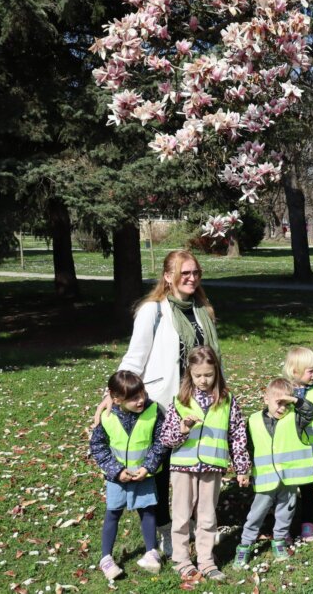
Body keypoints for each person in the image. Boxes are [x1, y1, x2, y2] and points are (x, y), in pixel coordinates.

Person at [94, 250, 220, 556]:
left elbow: (212, 358)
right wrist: (111, 395)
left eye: (195, 273)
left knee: (194, 464)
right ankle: (165, 529)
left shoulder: (203, 308)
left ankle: (195, 523)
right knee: (161, 468)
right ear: (167, 277)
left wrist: (220, 389)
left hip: (199, 399)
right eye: (184, 273)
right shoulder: (153, 310)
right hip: (165, 401)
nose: (191, 278)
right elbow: (135, 357)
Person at [161, 346, 249, 583]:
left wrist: (242, 468)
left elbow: (237, 435)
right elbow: (166, 439)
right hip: (183, 467)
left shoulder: (227, 400)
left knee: (207, 516)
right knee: (180, 516)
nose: (203, 380)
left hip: (212, 467)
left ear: (217, 372)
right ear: (189, 373)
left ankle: (206, 561)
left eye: (208, 375)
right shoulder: (180, 401)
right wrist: (183, 429)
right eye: (197, 375)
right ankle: (181, 560)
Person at [89, 372, 166, 581]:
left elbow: (161, 442)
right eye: (133, 398)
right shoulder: (106, 416)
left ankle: (151, 553)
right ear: (116, 399)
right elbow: (97, 446)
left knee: (148, 511)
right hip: (117, 478)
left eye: (142, 394)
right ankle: (106, 558)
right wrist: (116, 471)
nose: (140, 400)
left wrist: (148, 467)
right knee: (113, 513)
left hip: (144, 475)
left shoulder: (153, 411)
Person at [234, 378, 313, 568]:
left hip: (289, 477)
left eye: (286, 404)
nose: (282, 408)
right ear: (266, 399)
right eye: (278, 403)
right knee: (257, 512)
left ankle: (279, 540)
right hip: (265, 477)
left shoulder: (295, 417)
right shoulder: (253, 421)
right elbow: (248, 448)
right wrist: (245, 471)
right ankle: (245, 544)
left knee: (285, 511)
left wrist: (295, 400)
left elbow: (311, 411)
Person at [284, 347, 313, 541]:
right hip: (289, 450)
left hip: (311, 450)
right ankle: (284, 528)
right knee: (287, 492)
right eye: (311, 371)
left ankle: (308, 524)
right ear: (294, 372)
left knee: (308, 489)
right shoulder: (283, 390)